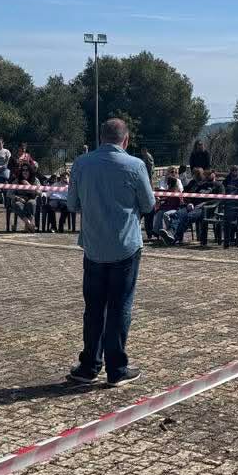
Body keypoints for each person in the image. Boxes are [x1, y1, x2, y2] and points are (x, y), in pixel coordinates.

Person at [64, 118, 155, 387]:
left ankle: (89, 366)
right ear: (125, 140)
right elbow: (148, 205)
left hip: (93, 247)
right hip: (125, 246)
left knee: (94, 308)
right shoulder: (136, 165)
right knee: (119, 307)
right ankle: (117, 369)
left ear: (100, 138)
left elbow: (71, 204)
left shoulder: (81, 164)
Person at [8, 160, 39, 231]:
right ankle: (29, 224)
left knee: (32, 203)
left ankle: (27, 227)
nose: (25, 172)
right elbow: (9, 194)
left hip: (31, 198)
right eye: (23, 170)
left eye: (27, 170)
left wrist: (29, 185)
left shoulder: (35, 180)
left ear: (30, 171)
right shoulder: (17, 180)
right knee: (17, 204)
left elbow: (39, 192)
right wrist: (18, 198)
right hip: (19, 199)